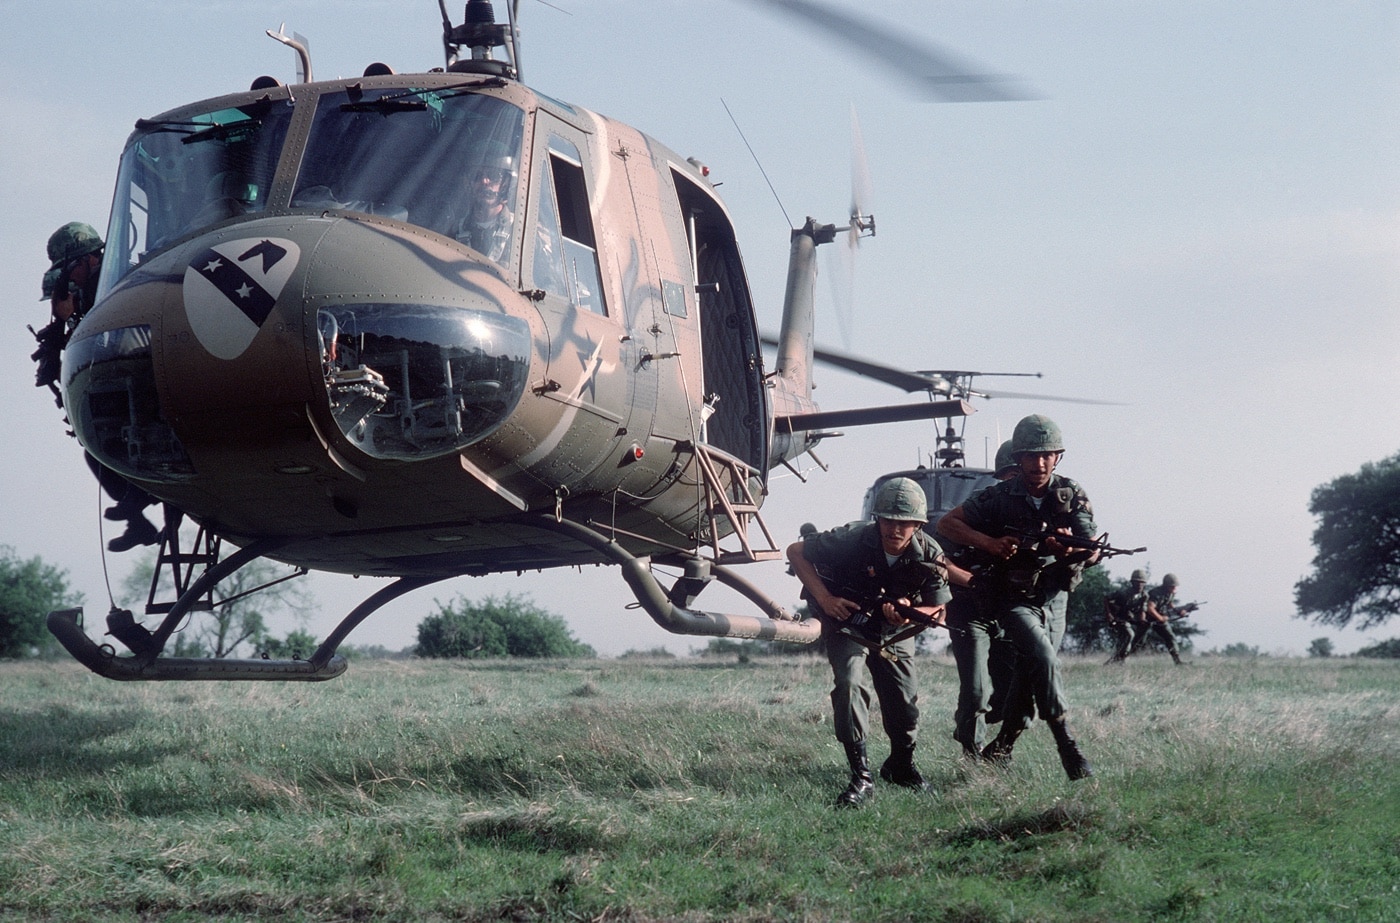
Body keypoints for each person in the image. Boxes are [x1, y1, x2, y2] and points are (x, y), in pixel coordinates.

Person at [937, 414, 1098, 780]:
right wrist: (990, 544)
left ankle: (1003, 744)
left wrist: (1070, 550)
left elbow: (1091, 549)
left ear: (1058, 457)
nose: (1039, 464)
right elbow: (947, 525)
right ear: (1019, 458)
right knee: (1041, 659)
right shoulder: (996, 497)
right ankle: (1066, 742)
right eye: (1030, 456)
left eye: (1046, 456)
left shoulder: (1071, 494)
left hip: (1055, 595)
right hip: (1014, 597)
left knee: (1033, 671)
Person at [786, 477, 952, 808]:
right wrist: (825, 598)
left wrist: (909, 612)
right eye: (889, 520)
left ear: (919, 524)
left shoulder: (931, 552)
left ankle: (901, 767)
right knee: (849, 684)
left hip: (894, 635)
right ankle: (861, 776)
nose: (895, 529)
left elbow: (940, 610)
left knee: (904, 704)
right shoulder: (853, 537)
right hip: (850, 626)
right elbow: (796, 552)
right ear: (878, 518)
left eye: (905, 523)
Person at [33, 222, 162, 553]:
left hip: (147, 372)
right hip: (122, 379)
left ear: (88, 259)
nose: (70, 281)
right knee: (97, 453)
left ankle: (140, 497)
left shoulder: (119, 280)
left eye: (70, 272)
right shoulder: (92, 290)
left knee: (109, 446)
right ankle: (139, 523)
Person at [944, 439, 1018, 759]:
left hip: (1012, 613)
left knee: (1012, 690)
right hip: (970, 610)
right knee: (976, 690)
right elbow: (938, 558)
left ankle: (995, 744)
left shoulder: (1042, 513)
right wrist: (973, 578)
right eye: (1011, 475)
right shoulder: (978, 509)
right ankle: (971, 750)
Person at [454, 141, 516, 264]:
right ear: (468, 183)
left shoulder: (518, 232)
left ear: (505, 183)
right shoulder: (455, 230)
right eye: (477, 176)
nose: (484, 181)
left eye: (493, 175)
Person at [1104, 569, 1150, 664]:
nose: (1140, 585)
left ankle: (1119, 661)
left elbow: (1142, 610)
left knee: (1130, 640)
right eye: (1137, 583)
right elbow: (1106, 598)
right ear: (1132, 583)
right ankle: (1117, 659)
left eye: (1142, 583)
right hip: (1118, 618)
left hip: (1129, 619)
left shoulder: (1144, 596)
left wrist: (1142, 619)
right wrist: (1109, 614)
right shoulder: (1123, 593)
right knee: (1129, 635)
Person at [1141, 573, 1187, 665]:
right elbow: (1150, 608)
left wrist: (1179, 612)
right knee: (1137, 640)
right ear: (1166, 586)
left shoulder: (1170, 593)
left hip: (1159, 619)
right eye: (1172, 586)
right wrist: (1161, 618)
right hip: (1146, 620)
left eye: (1175, 586)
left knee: (1170, 637)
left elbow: (1169, 604)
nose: (1174, 589)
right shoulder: (1156, 593)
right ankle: (1119, 659)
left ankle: (1177, 660)